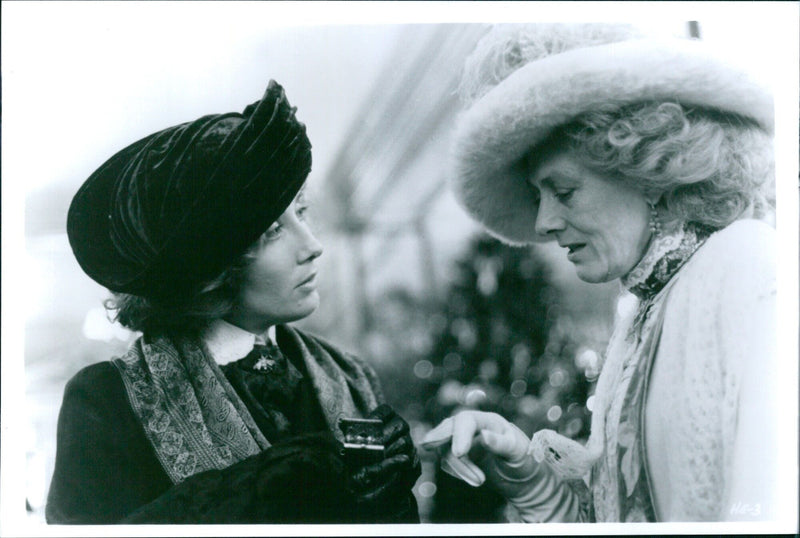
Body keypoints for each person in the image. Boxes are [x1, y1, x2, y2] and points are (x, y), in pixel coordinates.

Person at [422, 24, 778, 522]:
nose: (544, 223)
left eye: (563, 192)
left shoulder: (749, 267)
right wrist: (527, 472)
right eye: (536, 197)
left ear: (647, 171)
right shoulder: (641, 310)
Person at [46, 80, 420, 524]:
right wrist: (255, 492)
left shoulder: (351, 376)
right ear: (212, 268)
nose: (313, 245)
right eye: (273, 231)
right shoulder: (107, 398)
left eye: (301, 212)